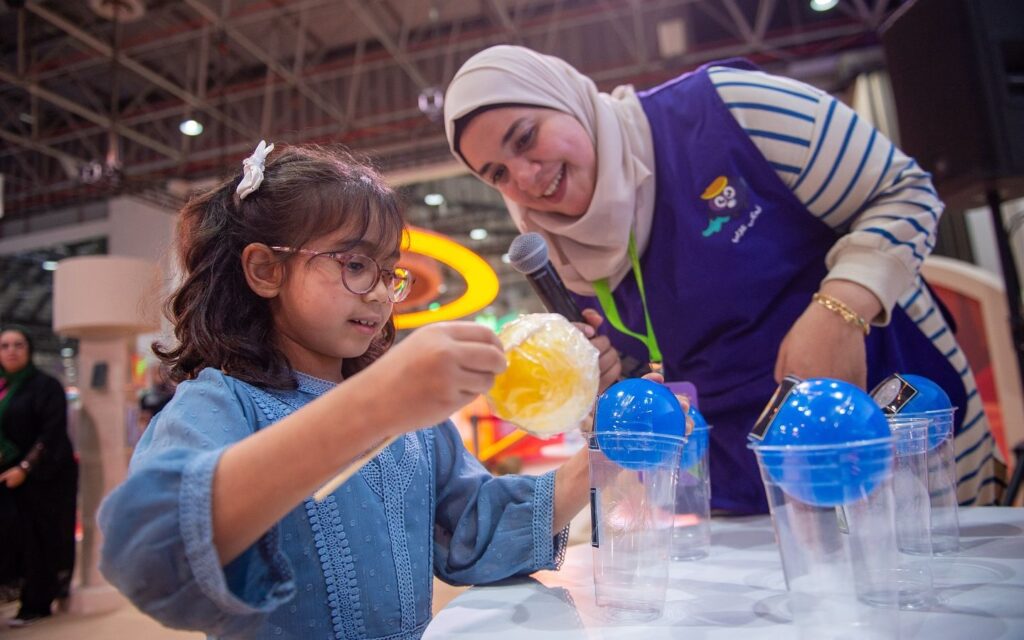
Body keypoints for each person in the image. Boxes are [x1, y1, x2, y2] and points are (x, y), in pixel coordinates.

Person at [443, 45, 1002, 514]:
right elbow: (662, 368)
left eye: (525, 138)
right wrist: (613, 380)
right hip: (751, 499)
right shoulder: (563, 258)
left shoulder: (724, 109)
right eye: (497, 173)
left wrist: (841, 309)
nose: (525, 178)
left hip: (896, 441)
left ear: (565, 98)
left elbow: (904, 192)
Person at [98, 142, 616, 639]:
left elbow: (472, 530)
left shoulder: (414, 421)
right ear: (265, 270)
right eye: (354, 265)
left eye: (388, 272)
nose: (379, 293)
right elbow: (148, 550)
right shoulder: (222, 403)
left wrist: (601, 455)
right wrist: (375, 405)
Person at [0, 327, 79, 627]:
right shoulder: (3, 387)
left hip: (43, 477)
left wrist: (24, 468)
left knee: (38, 540)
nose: (11, 350)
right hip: (7, 477)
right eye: (5, 345)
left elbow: (51, 433)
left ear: (29, 349)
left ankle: (36, 603)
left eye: (18, 344)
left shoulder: (45, 386)